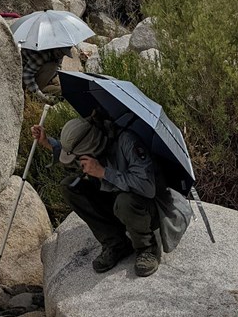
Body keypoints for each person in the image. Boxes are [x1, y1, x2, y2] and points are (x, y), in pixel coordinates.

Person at [32, 116, 162, 277]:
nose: (79, 160)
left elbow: (147, 187)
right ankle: (116, 243)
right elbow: (75, 158)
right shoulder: (94, 144)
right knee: (70, 186)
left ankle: (147, 248)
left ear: (92, 147)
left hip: (146, 208)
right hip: (116, 202)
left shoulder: (128, 142)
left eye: (80, 155)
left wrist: (104, 172)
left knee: (124, 201)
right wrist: (48, 143)